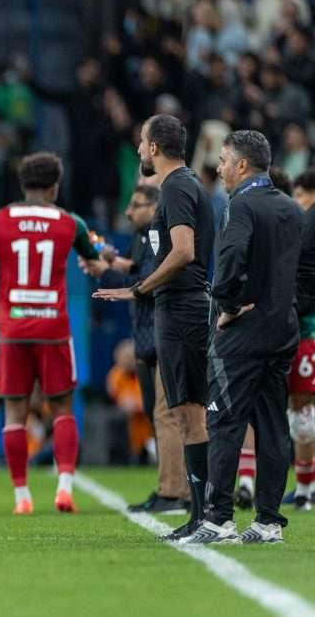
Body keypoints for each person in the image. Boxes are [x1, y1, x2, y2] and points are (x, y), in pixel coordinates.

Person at [180, 130, 306, 545]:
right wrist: (286, 308)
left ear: (242, 165)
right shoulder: (292, 208)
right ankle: (268, 520)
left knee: (224, 419)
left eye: (223, 159)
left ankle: (218, 518)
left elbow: (231, 259)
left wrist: (229, 305)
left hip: (242, 333)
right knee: (272, 425)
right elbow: (307, 272)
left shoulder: (240, 205)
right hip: (282, 331)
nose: (218, 167)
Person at [95, 114, 215, 542]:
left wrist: (139, 289)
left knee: (190, 416)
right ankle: (204, 516)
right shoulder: (177, 187)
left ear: (155, 148)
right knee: (185, 416)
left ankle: (208, 517)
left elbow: (183, 252)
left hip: (182, 308)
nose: (140, 149)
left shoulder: (178, 186)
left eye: (143, 141)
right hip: (176, 307)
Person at [0, 152, 99, 514]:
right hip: (53, 327)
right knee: (62, 408)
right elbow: (94, 258)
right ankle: (65, 487)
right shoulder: (70, 222)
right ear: (55, 187)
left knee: (14, 412)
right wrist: (101, 256)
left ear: (23, 185)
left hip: (14, 325)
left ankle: (22, 497)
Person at [80, 185, 190, 513]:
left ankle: (175, 491)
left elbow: (152, 278)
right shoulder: (144, 237)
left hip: (162, 332)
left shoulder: (159, 233)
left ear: (154, 206)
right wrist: (112, 264)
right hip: (147, 334)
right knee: (159, 414)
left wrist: (116, 277)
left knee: (166, 414)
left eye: (137, 205)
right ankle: (169, 487)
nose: (129, 212)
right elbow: (140, 270)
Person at [289, 170, 315, 511]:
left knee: (303, 412)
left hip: (307, 330)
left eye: (300, 195)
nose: (296, 202)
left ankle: (305, 490)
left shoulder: (309, 225)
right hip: (301, 329)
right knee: (300, 414)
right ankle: (304, 489)